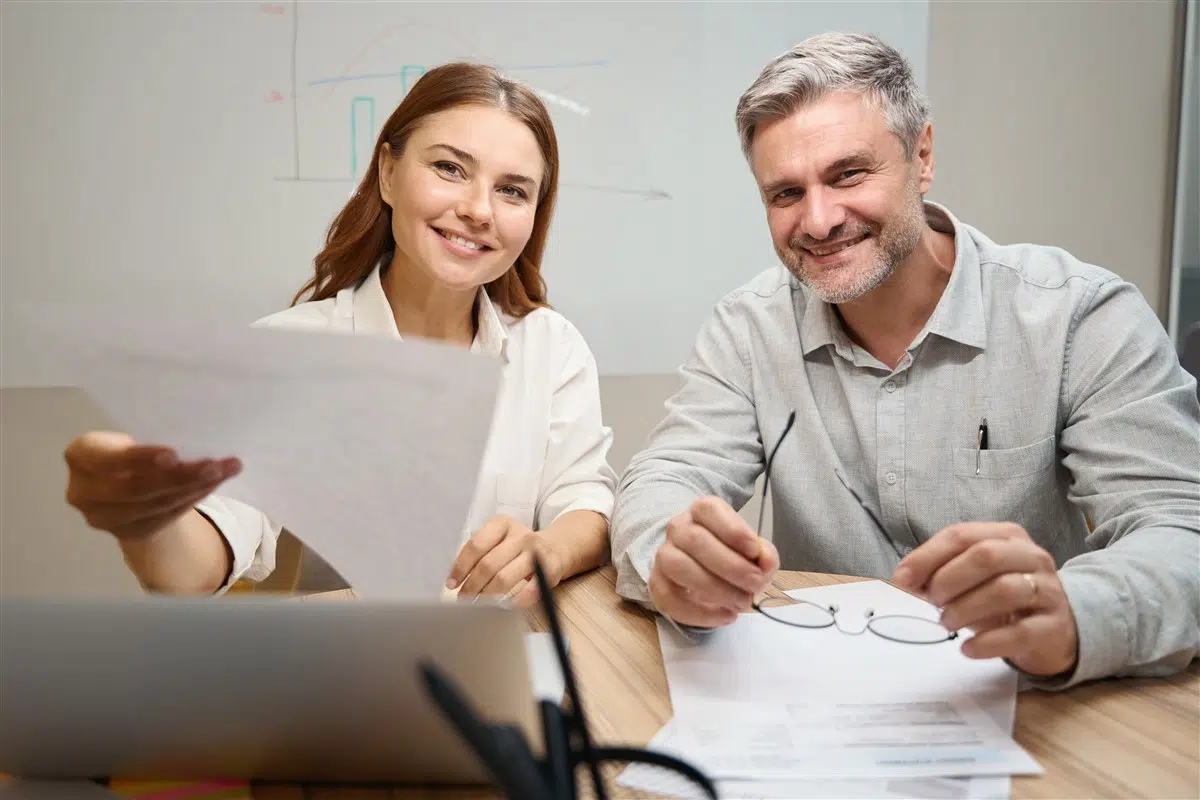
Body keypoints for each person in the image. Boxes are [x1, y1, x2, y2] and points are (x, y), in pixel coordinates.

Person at [611, 32, 1200, 688]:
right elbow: (664, 476)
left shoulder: (1078, 316)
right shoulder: (749, 327)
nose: (818, 219)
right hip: (817, 699)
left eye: (848, 174)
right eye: (785, 194)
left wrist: (1075, 614)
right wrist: (670, 554)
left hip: (1029, 702)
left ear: (922, 156)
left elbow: (1183, 530)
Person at [63, 62, 617, 607]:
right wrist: (145, 520)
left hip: (513, 653)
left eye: (513, 191)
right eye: (450, 168)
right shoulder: (289, 352)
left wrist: (551, 550)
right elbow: (198, 562)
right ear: (388, 173)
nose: (477, 209)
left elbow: (584, 498)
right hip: (356, 663)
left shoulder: (551, 346)